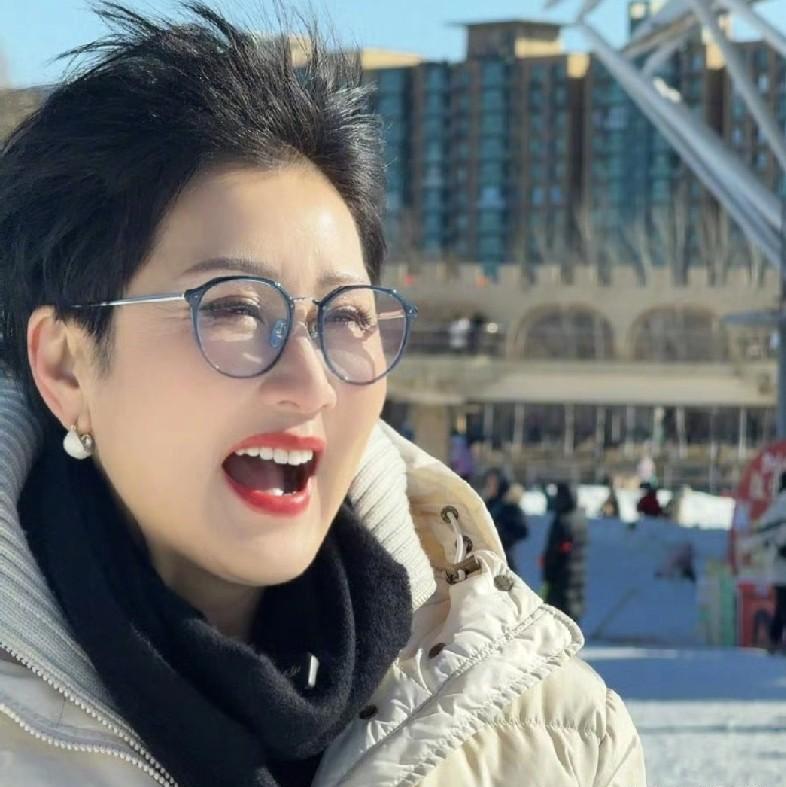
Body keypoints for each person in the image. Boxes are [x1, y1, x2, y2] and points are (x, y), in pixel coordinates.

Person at [0, 4, 645, 785]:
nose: (312, 383)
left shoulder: (557, 739)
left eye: (346, 316)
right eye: (234, 309)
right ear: (67, 365)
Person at [739, 470, 786, 654]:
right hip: (781, 564)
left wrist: (746, 547)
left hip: (779, 565)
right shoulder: (782, 503)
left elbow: (763, 531)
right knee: (782, 604)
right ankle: (775, 640)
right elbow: (767, 530)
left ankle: (775, 640)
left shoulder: (780, 503)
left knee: (782, 604)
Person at [542, 482, 589, 624]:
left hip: (561, 575)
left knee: (559, 615)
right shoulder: (580, 518)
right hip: (577, 573)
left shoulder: (563, 520)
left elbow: (557, 549)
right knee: (573, 610)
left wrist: (548, 570)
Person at [481, 468, 528, 575]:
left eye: (493, 483)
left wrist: (503, 534)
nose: (490, 486)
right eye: (488, 483)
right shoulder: (487, 504)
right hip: (487, 556)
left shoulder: (510, 506)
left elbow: (522, 530)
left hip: (505, 556)